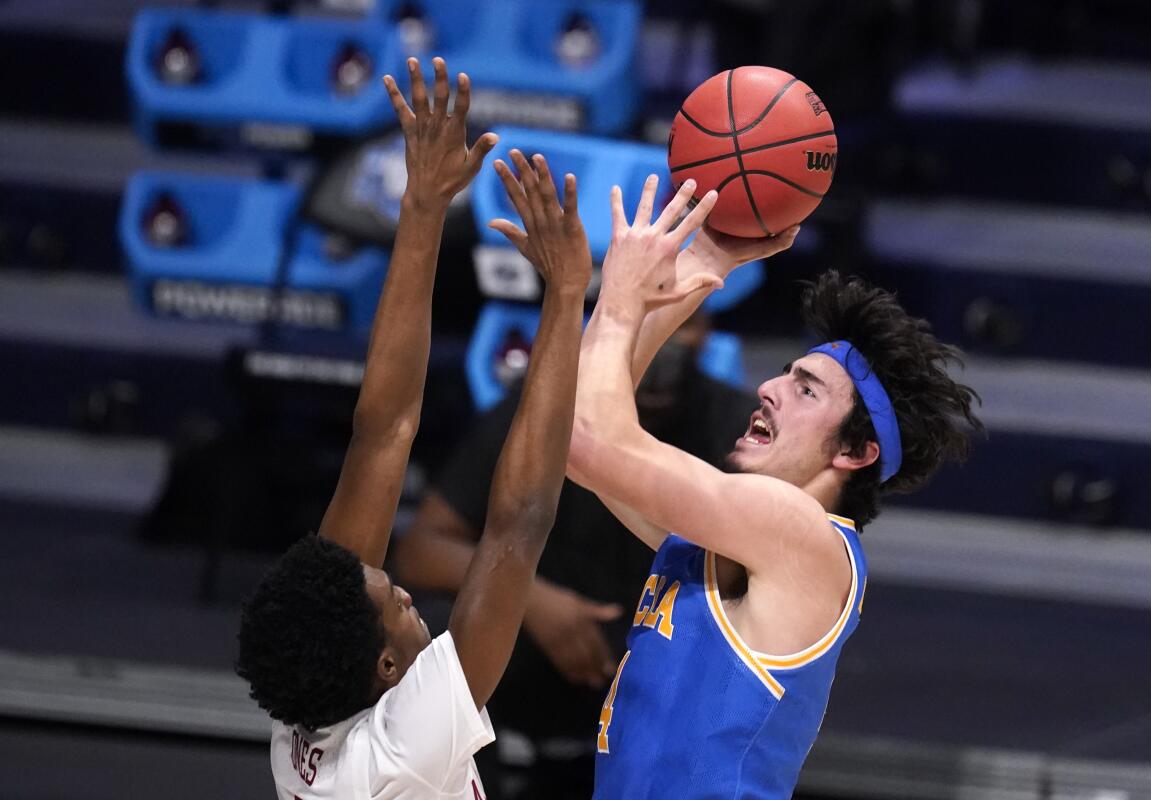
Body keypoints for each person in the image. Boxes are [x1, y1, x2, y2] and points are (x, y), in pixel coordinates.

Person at [236, 58, 609, 800]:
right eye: (394, 602)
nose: (404, 590)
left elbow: (383, 431)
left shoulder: (317, 692)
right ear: (386, 670)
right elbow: (517, 526)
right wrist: (567, 298)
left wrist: (423, 208)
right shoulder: (401, 754)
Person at [566, 176, 983, 798]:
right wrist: (706, 262)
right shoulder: (737, 539)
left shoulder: (799, 532)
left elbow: (586, 438)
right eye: (786, 374)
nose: (769, 388)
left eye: (806, 388)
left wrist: (624, 297)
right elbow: (575, 438)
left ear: (855, 452)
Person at [390, 308, 756, 792]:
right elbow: (420, 551)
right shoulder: (547, 407)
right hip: (537, 668)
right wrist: (533, 602)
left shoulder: (739, 431)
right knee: (434, 629)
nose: (665, 343)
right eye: (648, 321)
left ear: (707, 333)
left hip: (661, 682)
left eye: (682, 324)